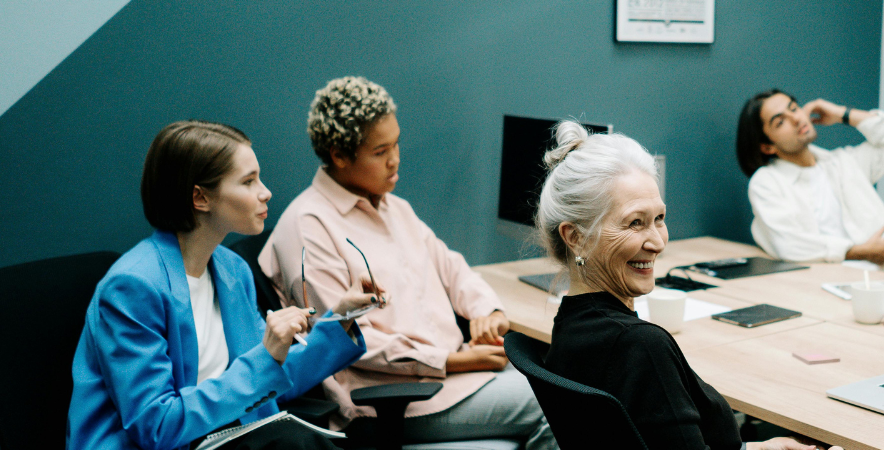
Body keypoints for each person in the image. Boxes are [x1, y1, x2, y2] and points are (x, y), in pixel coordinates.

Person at [259, 76, 555, 448]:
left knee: (567, 381)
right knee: (557, 405)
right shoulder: (308, 227)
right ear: (338, 155)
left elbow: (453, 268)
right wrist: (453, 360)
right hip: (391, 400)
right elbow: (340, 338)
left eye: (396, 143)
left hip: (451, 377)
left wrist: (487, 311)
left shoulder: (394, 208)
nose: (395, 159)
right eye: (380, 151)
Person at [68, 120, 374, 450]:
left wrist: (340, 318)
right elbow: (156, 426)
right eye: (248, 181)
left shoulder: (231, 270)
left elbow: (270, 380)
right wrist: (266, 358)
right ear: (200, 197)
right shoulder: (132, 288)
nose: (265, 192)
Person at [540, 121, 842, 450]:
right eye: (635, 223)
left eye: (659, 219)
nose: (657, 242)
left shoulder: (571, 324)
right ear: (576, 238)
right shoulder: (640, 346)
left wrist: (757, 448)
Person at [736, 88, 884, 278]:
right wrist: (861, 252)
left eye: (793, 108)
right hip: (825, 286)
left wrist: (842, 114)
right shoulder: (767, 182)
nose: (796, 119)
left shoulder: (844, 163)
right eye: (780, 121)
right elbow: (789, 245)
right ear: (767, 146)